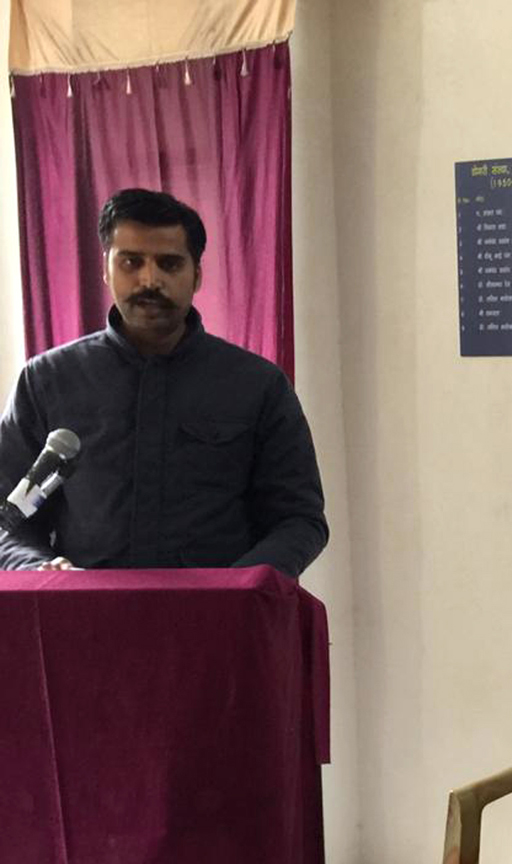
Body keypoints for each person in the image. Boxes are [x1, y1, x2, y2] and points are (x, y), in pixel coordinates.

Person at [0, 188, 327, 576]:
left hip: (218, 626)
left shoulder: (258, 386)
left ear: (197, 275)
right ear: (105, 269)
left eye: (169, 264)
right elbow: (10, 521)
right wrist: (42, 571)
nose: (149, 280)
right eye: (131, 262)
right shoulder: (46, 381)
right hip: (84, 624)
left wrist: (239, 589)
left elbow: (300, 519)